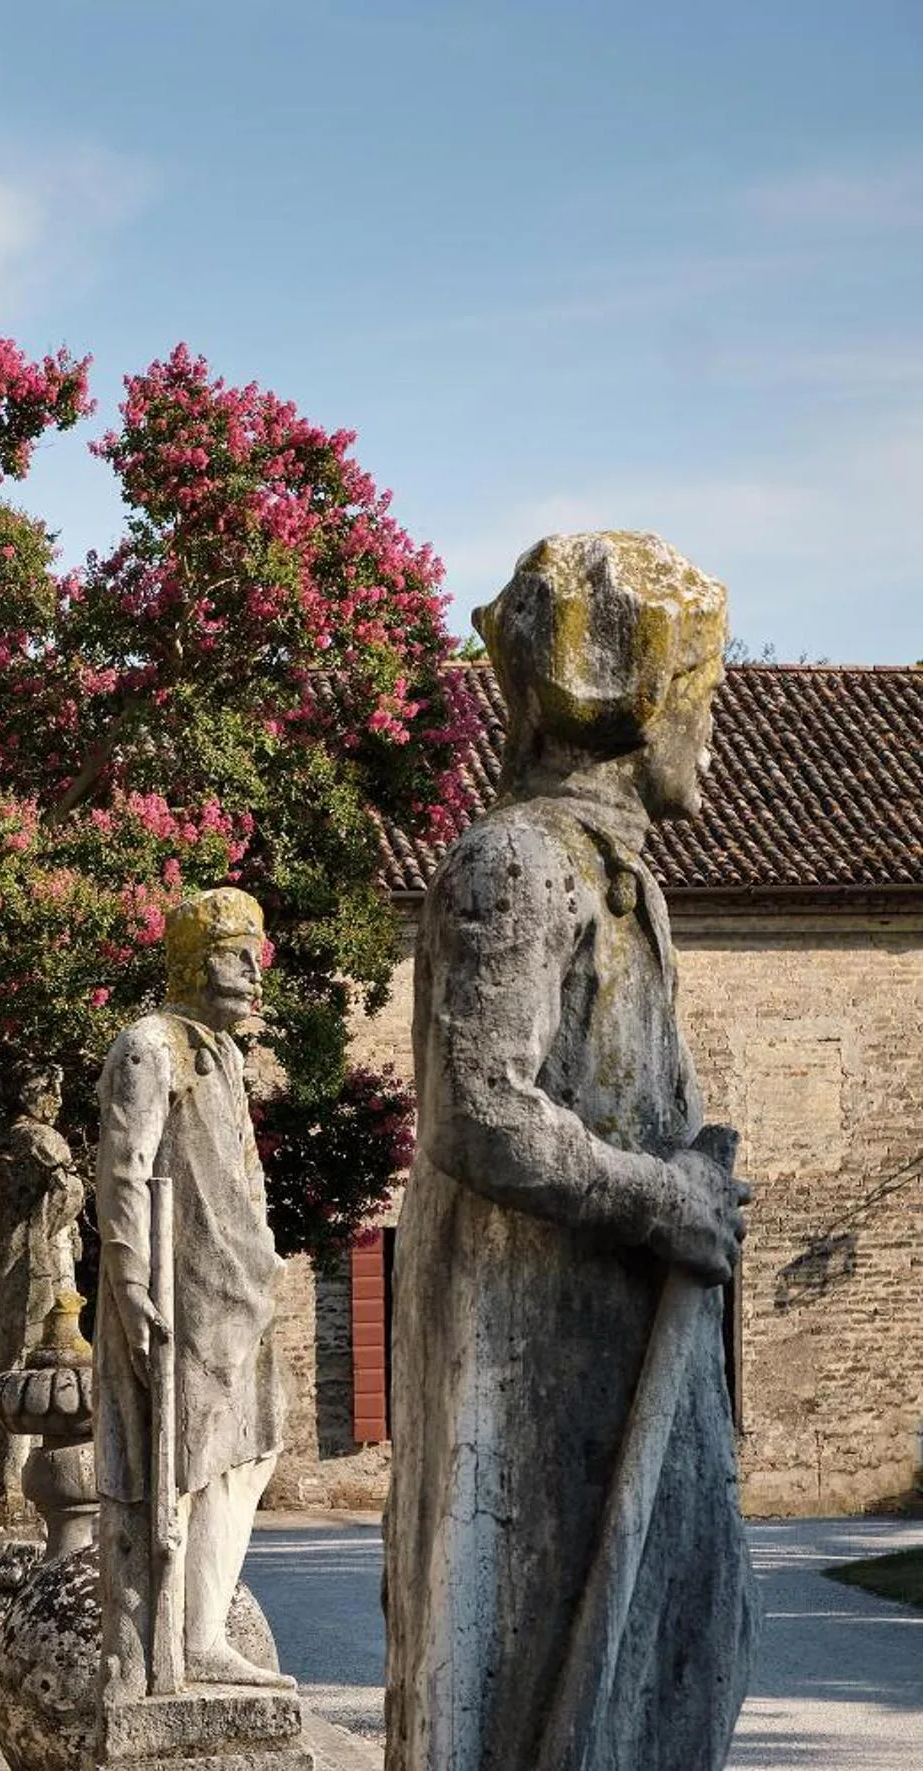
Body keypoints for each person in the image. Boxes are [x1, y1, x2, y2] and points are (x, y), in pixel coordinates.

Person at [385, 532, 756, 1771]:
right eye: (703, 686)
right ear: (640, 699)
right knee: (524, 1663)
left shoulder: (622, 888)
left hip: (611, 1347)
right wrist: (667, 1203)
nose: (711, 721)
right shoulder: (516, 864)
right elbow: (478, 1109)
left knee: (647, 1659)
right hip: (532, 1364)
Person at [94, 886, 292, 1695]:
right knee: (182, 1461)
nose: (254, 972)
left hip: (238, 1289)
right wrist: (132, 1280)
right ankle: (174, 1638)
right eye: (236, 955)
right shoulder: (151, 1046)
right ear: (191, 959)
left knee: (246, 1454)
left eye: (256, 955)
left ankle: (202, 1630)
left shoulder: (223, 1054)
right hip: (186, 1291)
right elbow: (123, 1169)